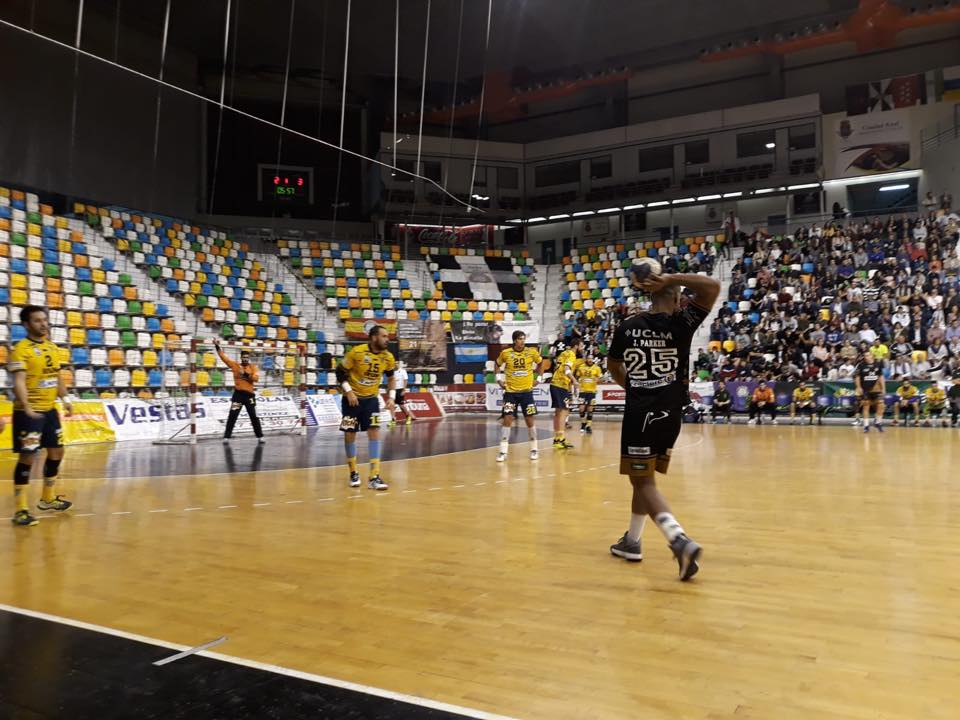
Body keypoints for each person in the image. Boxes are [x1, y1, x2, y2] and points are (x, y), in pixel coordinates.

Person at [607, 266, 720, 581]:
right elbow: (711, 286)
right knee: (643, 479)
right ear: (677, 296)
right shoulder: (682, 323)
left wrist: (632, 387)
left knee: (642, 481)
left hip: (640, 413)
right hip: (671, 415)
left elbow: (613, 365)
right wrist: (675, 279)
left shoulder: (628, 326)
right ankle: (632, 541)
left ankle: (679, 541)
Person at [8, 306, 73, 526]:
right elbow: (18, 382)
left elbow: (56, 377)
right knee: (28, 457)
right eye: (37, 321)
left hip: (50, 409)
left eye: (45, 320)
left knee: (57, 452)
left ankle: (47, 498)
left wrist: (66, 400)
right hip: (29, 412)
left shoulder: (52, 347)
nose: (43, 324)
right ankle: (21, 510)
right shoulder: (20, 350)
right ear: (26, 324)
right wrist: (26, 406)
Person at [337, 325, 397, 491]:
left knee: (374, 431)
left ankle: (374, 476)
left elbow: (391, 378)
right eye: (384, 336)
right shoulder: (356, 352)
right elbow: (339, 372)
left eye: (388, 336)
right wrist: (348, 392)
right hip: (351, 401)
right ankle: (353, 472)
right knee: (350, 433)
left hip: (371, 400)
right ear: (373, 338)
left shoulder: (388, 357)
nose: (387, 339)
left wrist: (391, 397)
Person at [495, 331, 544, 462]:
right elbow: (497, 364)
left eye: (523, 339)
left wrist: (538, 378)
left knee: (529, 420)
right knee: (508, 419)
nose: (522, 341)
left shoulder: (531, 352)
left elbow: (540, 363)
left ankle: (534, 449)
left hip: (526, 393)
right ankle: (503, 451)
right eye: (520, 339)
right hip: (510, 393)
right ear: (514, 340)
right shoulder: (506, 353)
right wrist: (499, 379)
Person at [215, 341, 264, 443]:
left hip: (249, 396)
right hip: (238, 396)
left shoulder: (253, 367)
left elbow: (256, 378)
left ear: (248, 358)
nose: (245, 359)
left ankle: (260, 436)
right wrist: (217, 346)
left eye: (247, 357)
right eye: (244, 357)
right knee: (233, 415)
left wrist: (245, 374)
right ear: (241, 357)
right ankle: (226, 437)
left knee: (254, 416)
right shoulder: (235, 366)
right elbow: (224, 358)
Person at [549, 338, 581, 449]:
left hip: (555, 384)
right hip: (560, 385)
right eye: (581, 345)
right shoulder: (572, 355)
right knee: (564, 412)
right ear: (576, 346)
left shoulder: (564, 353)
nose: (582, 348)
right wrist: (575, 381)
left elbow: (559, 367)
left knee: (559, 413)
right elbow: (567, 370)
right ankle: (560, 439)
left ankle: (557, 438)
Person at [855, 352, 886, 433]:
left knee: (881, 405)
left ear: (872, 356)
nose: (866, 357)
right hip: (866, 389)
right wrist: (858, 387)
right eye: (865, 355)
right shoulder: (861, 365)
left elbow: (881, 377)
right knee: (866, 406)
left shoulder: (878, 364)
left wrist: (883, 388)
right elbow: (857, 377)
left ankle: (878, 422)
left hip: (877, 389)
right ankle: (866, 426)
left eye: (868, 355)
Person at [575, 355, 603, 434]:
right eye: (589, 358)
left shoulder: (597, 368)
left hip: (592, 391)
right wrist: (577, 382)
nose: (590, 360)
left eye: (591, 358)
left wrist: (598, 379)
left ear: (593, 359)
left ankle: (588, 426)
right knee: (581, 408)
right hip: (582, 391)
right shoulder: (581, 367)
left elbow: (601, 378)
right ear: (586, 359)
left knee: (590, 409)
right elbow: (576, 377)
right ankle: (583, 423)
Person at [389, 360, 415, 427]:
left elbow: (405, 380)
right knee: (391, 405)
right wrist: (389, 389)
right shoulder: (392, 372)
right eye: (394, 363)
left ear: (399, 364)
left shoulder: (403, 371)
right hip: (393, 390)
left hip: (400, 390)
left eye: (397, 363)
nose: (396, 365)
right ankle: (393, 420)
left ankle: (408, 417)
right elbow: (390, 381)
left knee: (401, 406)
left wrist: (404, 390)